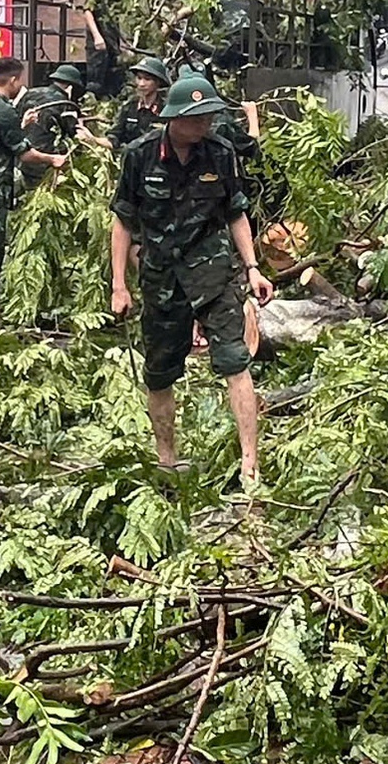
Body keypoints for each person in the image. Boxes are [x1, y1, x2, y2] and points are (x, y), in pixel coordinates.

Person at [111, 75, 275, 485]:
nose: (205, 126)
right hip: (161, 276)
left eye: (209, 117)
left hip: (214, 273)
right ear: (175, 120)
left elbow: (236, 213)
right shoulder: (140, 155)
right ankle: (167, 461)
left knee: (235, 362)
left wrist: (253, 267)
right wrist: (119, 284)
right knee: (160, 371)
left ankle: (250, 463)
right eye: (197, 119)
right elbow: (123, 222)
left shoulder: (219, 152)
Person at [0, 56, 67, 335]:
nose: (19, 85)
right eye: (19, 80)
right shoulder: (3, 110)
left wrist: (21, 123)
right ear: (11, 80)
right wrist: (52, 158)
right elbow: (25, 154)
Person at [18, 64, 104, 187]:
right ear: (70, 87)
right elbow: (74, 133)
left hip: (25, 156)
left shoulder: (31, 94)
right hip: (48, 160)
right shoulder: (65, 103)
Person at [113, 57, 168, 151]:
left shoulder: (166, 109)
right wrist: (93, 139)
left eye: (147, 79)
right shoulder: (129, 107)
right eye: (139, 78)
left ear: (158, 82)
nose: (141, 84)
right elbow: (114, 137)